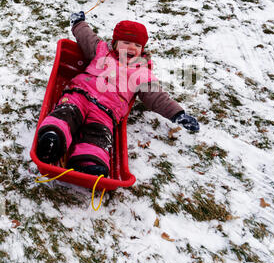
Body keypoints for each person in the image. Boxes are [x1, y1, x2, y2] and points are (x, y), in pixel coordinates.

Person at [36, 12, 200, 177]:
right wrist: (78, 23)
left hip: (107, 111)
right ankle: (53, 138)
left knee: (99, 134)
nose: (131, 48)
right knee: (67, 112)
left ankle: (89, 162)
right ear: (114, 44)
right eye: (126, 42)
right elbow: (87, 37)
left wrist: (177, 114)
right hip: (80, 94)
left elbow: (156, 96)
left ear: (142, 50)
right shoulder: (101, 51)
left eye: (137, 45)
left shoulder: (142, 72)